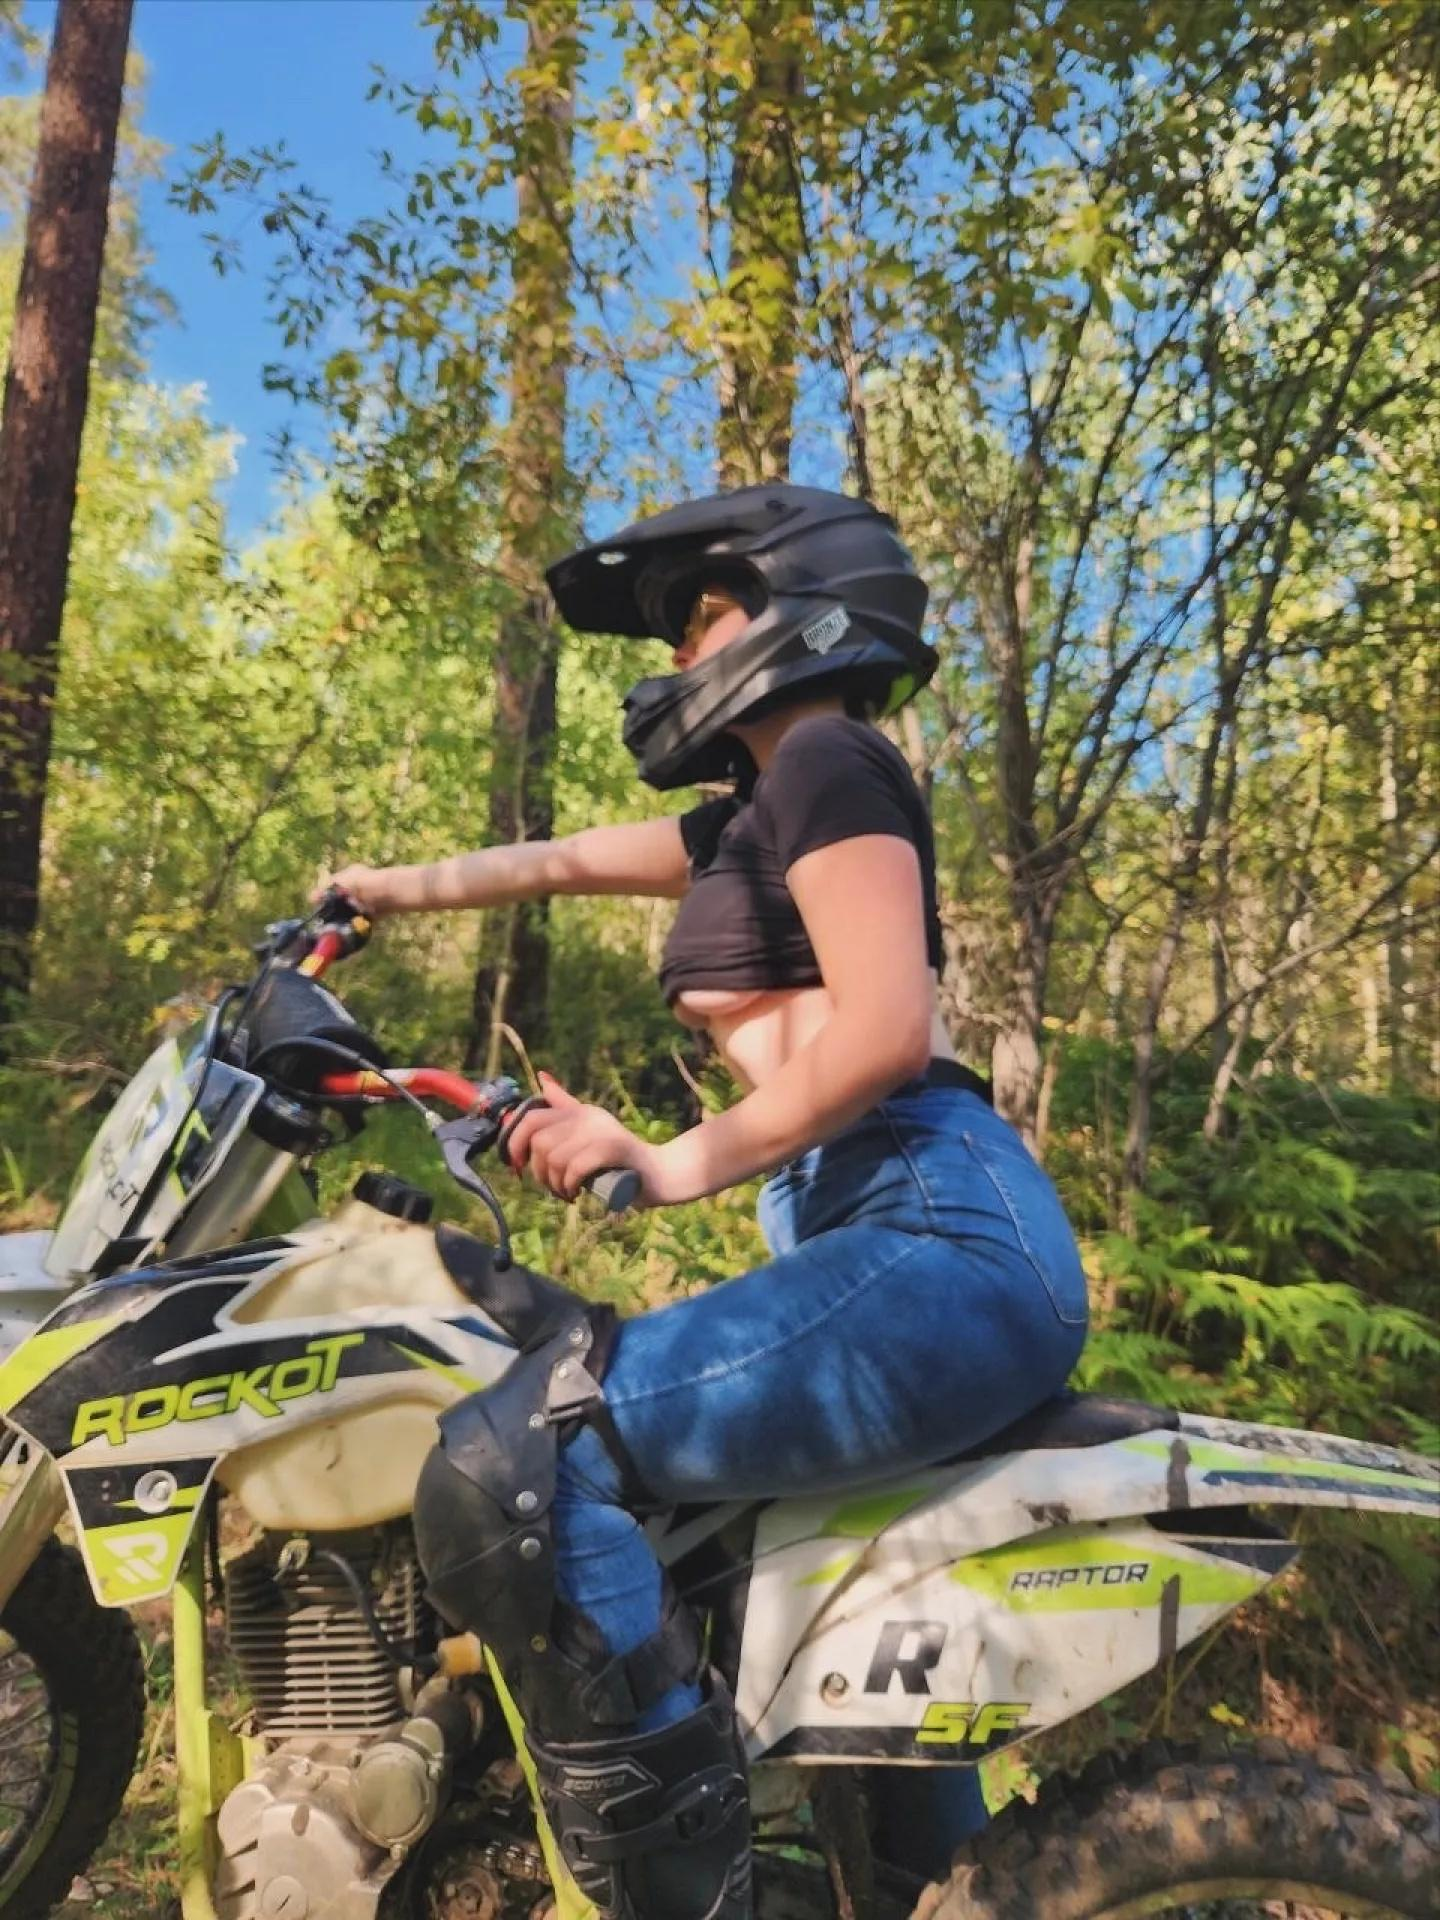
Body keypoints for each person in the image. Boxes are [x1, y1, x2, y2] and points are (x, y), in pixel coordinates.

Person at [323, 486, 1088, 1920]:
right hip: (881, 1231)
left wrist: (671, 1160)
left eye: (701, 616)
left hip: (935, 1229)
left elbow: (883, 1035)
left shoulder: (830, 758)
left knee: (527, 1459)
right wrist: (379, 894)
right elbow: (553, 864)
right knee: (844, 1635)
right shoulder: (752, 812)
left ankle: (676, 1887)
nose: (676, 654)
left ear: (802, 608)